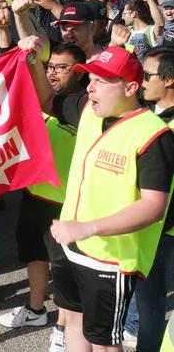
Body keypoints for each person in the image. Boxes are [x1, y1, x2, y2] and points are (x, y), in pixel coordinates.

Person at [21, 37, 174, 351]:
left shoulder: (154, 135)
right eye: (90, 79)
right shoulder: (89, 110)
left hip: (109, 257)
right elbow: (47, 100)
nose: (90, 88)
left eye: (102, 81)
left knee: (104, 342)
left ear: (131, 88)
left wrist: (88, 227)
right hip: (71, 244)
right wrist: (34, 60)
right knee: (74, 321)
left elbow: (153, 206)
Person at [0, 43, 86, 352]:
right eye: (51, 66)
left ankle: (64, 326)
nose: (54, 72)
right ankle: (36, 310)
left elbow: (49, 100)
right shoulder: (40, 96)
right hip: (35, 193)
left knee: (64, 270)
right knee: (34, 255)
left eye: (62, 67)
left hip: (68, 203)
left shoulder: (82, 104)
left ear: (80, 71)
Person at [122, 47, 174, 352]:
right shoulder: (143, 112)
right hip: (144, 225)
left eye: (148, 75)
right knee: (145, 300)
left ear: (168, 80)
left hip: (161, 230)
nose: (142, 81)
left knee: (152, 303)